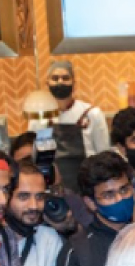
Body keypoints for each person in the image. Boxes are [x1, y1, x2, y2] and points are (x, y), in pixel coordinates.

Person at [42, 59, 110, 189]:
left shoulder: (92, 113)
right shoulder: (39, 118)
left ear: (74, 83)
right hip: (55, 187)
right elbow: (40, 159)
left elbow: (104, 156)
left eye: (65, 78)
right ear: (47, 83)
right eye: (55, 78)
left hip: (88, 184)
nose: (60, 82)